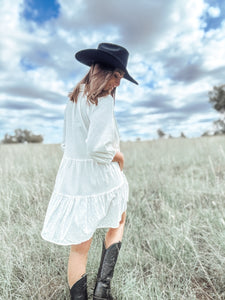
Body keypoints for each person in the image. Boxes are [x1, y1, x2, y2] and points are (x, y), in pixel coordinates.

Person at [41, 42, 138, 300]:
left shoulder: (74, 97)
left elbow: (66, 143)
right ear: (101, 70)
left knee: (80, 247)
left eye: (121, 77)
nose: (118, 83)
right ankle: (102, 291)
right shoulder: (102, 101)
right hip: (100, 175)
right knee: (118, 220)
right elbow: (99, 149)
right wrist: (120, 156)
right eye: (116, 75)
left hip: (73, 179)